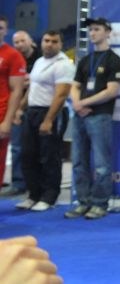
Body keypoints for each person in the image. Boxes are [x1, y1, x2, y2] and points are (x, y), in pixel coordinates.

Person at [65, 18, 120, 220]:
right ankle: (83, 202)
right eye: (90, 30)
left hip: (100, 116)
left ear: (107, 32)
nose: (92, 33)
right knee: (78, 162)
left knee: (101, 164)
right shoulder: (85, 60)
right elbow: (74, 86)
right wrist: (76, 103)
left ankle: (99, 204)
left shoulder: (114, 60)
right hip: (80, 116)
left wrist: (84, 102)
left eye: (97, 29)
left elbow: (111, 91)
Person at [16, 30, 75, 212]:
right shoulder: (40, 61)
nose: (49, 44)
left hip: (51, 112)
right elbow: (32, 88)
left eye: (53, 41)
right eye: (46, 40)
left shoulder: (64, 64)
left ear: (60, 44)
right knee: (28, 154)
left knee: (50, 156)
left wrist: (49, 120)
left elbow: (61, 94)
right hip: (32, 111)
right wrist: (20, 108)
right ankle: (34, 194)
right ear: (40, 42)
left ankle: (49, 197)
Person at [0, 31, 41, 197]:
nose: (19, 44)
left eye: (23, 40)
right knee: (17, 148)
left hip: (34, 108)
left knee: (32, 149)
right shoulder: (14, 57)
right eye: (16, 42)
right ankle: (18, 182)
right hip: (18, 108)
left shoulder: (39, 59)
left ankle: (34, 185)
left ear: (31, 41)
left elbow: (18, 89)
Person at [0, 16, 26, 195]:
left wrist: (7, 121)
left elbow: (17, 90)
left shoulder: (12, 55)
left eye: (0, 28)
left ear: (5, 30)